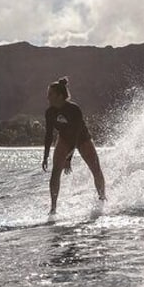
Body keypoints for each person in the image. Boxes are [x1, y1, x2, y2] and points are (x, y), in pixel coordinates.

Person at [42, 77, 106, 216]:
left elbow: (76, 135)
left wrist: (69, 158)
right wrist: (45, 155)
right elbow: (48, 135)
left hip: (82, 139)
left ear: (60, 96)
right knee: (55, 172)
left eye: (50, 94)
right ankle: (53, 209)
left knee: (95, 169)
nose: (48, 97)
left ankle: (102, 199)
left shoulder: (74, 109)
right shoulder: (50, 112)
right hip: (64, 139)